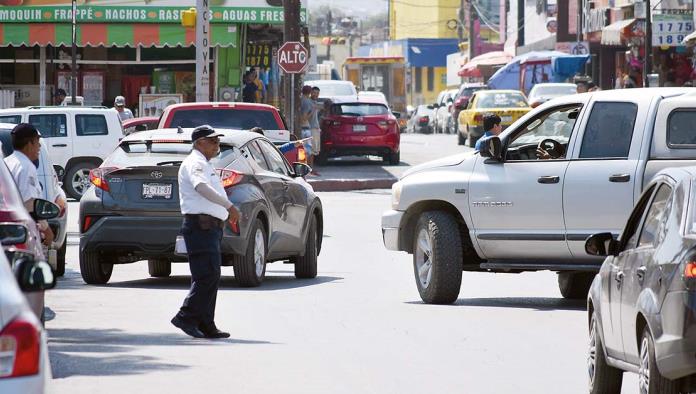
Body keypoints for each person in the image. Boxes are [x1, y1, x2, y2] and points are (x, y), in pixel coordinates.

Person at [172, 125, 241, 339]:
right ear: (199, 142)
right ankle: (186, 316)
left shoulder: (204, 162)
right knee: (206, 275)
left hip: (209, 227)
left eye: (217, 141)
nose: (216, 145)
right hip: (200, 226)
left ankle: (205, 323)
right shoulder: (196, 163)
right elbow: (201, 187)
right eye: (212, 141)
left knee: (210, 276)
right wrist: (228, 206)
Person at [4, 124, 54, 247]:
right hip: (20, 234)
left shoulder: (6, 163)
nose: (40, 146)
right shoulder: (26, 167)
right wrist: (47, 230)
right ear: (29, 144)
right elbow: (30, 204)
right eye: (37, 141)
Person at [300, 85, 315, 169]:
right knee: (307, 151)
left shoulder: (300, 100)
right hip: (305, 128)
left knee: (302, 150)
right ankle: (306, 169)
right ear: (309, 92)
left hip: (302, 128)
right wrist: (312, 111)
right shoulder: (306, 102)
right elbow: (304, 118)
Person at [308, 86, 322, 175]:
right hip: (310, 129)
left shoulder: (315, 102)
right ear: (311, 93)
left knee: (314, 150)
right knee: (311, 150)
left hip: (315, 128)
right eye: (314, 93)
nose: (315, 94)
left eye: (317, 93)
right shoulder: (309, 103)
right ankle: (310, 169)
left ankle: (311, 169)